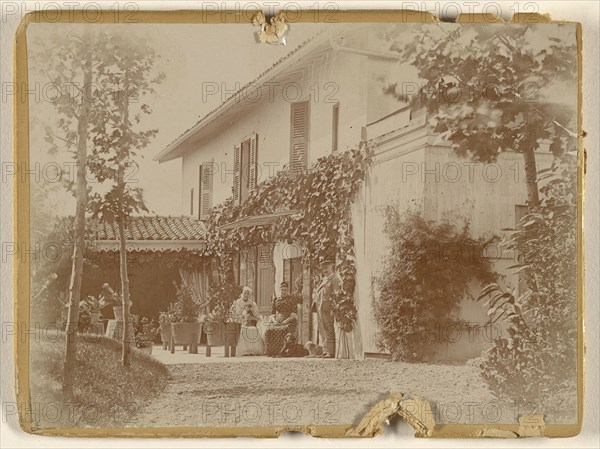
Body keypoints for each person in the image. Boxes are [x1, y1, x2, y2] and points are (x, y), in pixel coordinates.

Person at [313, 258, 340, 358]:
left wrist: (334, 308)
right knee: (322, 329)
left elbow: (336, 294)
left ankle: (331, 352)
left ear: (332, 267)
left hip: (328, 309)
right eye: (323, 268)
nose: (324, 270)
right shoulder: (324, 280)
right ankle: (325, 350)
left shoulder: (334, 279)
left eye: (327, 267)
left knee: (329, 329)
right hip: (321, 308)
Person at [264, 281, 298, 356]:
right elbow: (272, 314)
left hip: (289, 321)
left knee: (283, 330)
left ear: (288, 290)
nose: (283, 292)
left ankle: (282, 352)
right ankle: (271, 352)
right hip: (277, 321)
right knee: (268, 330)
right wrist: (274, 321)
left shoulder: (291, 300)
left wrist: (285, 321)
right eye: (282, 290)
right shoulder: (276, 300)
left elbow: (293, 315)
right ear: (280, 290)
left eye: (285, 290)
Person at [232, 287, 264, 356]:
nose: (246, 295)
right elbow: (234, 315)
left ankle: (253, 350)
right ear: (241, 293)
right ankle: (243, 351)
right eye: (245, 293)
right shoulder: (237, 302)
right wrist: (242, 317)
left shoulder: (252, 303)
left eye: (248, 293)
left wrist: (252, 317)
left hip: (250, 322)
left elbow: (256, 316)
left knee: (253, 330)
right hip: (239, 322)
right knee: (243, 331)